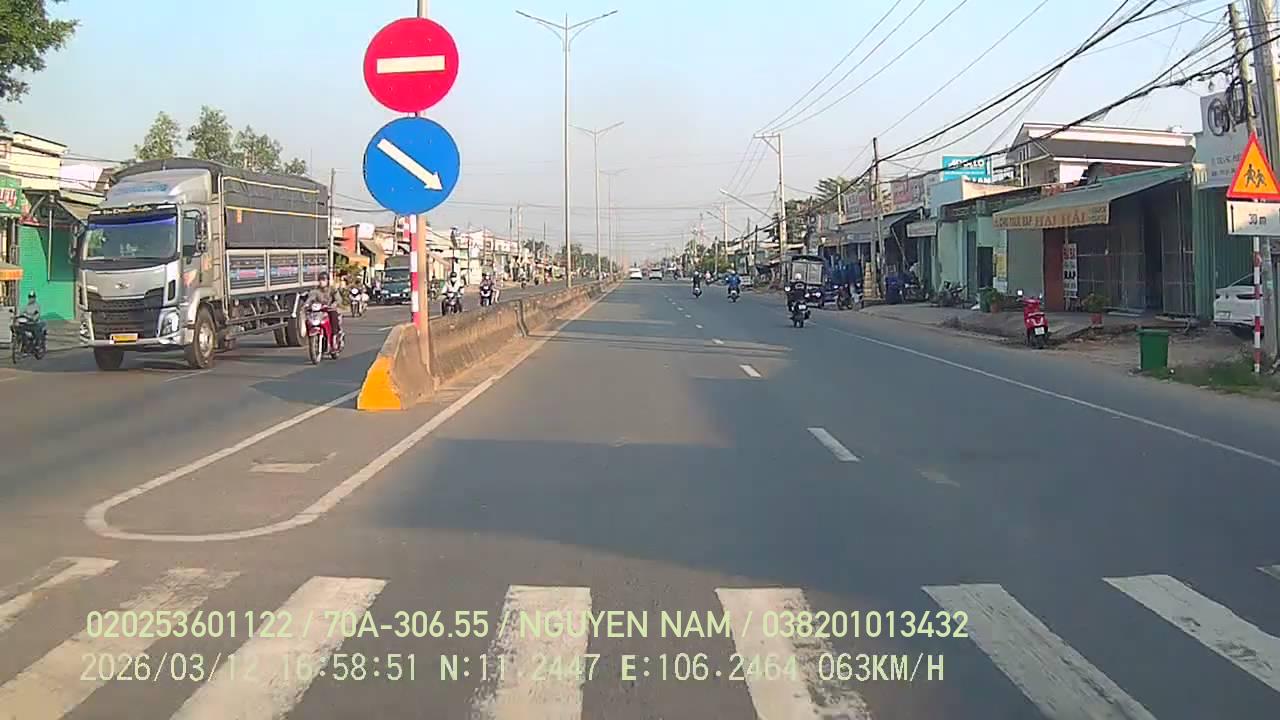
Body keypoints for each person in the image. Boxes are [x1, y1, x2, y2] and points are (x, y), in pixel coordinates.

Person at [304, 272, 343, 345]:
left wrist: (334, 304)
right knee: (308, 320)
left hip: (330, 310)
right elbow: (310, 298)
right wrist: (307, 304)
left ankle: (334, 336)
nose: (321, 282)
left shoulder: (332, 290)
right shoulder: (315, 290)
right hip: (319, 311)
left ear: (327, 281)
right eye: (320, 280)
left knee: (333, 317)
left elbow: (338, 299)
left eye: (323, 280)